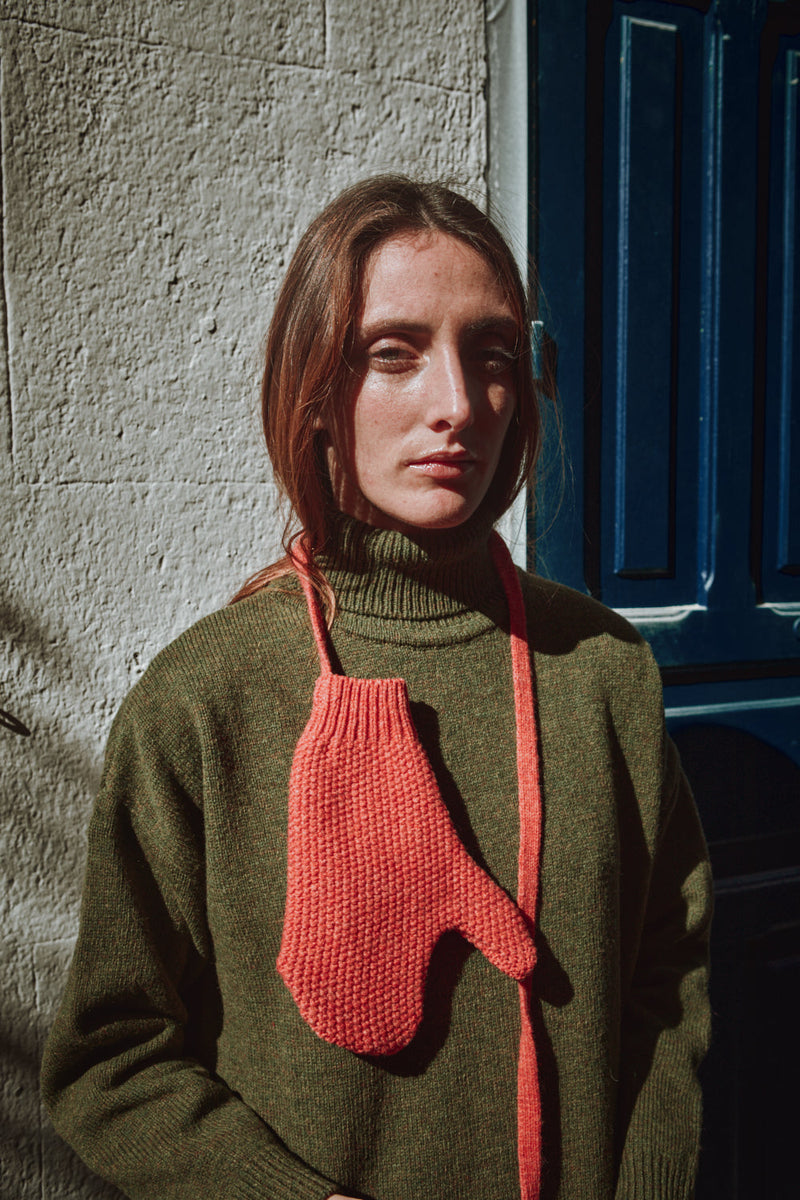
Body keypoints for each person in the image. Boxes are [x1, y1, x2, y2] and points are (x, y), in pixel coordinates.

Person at [41, 176, 712, 1200]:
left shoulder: (601, 671)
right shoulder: (204, 700)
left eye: (490, 356)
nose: (457, 404)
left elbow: (671, 983)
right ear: (315, 390)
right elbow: (112, 1058)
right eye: (393, 353)